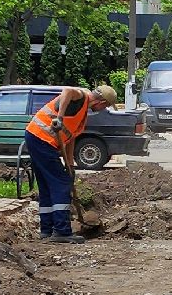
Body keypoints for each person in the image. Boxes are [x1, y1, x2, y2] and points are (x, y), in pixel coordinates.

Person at [22, 83, 118, 243]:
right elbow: (67, 91)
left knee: (47, 185)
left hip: (36, 138)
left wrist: (70, 165)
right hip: (42, 139)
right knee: (61, 183)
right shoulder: (81, 96)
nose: (103, 109)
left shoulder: (82, 112)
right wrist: (59, 118)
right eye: (106, 106)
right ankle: (62, 230)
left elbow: (70, 138)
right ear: (101, 102)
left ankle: (46, 230)